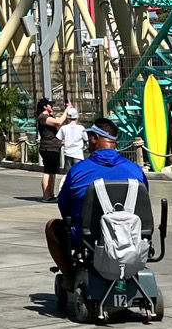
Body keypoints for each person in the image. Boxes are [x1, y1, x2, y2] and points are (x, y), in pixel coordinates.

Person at [43, 118, 148, 271]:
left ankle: (68, 276)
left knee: (51, 226)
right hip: (130, 234)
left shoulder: (78, 171)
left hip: (89, 236)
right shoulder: (136, 170)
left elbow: (64, 206)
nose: (88, 141)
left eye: (89, 136)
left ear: (95, 138)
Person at [35, 98, 65, 201]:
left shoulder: (49, 117)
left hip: (53, 147)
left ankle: (51, 194)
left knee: (52, 172)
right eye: (50, 105)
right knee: (48, 171)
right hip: (48, 148)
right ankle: (46, 195)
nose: (52, 107)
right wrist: (67, 110)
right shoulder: (43, 117)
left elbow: (59, 121)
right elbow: (59, 122)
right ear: (45, 106)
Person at [57, 106, 88, 171]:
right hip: (78, 154)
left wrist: (63, 143)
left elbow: (58, 139)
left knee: (68, 174)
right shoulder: (81, 128)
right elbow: (86, 139)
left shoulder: (63, 128)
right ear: (77, 117)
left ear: (67, 117)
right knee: (77, 175)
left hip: (67, 154)